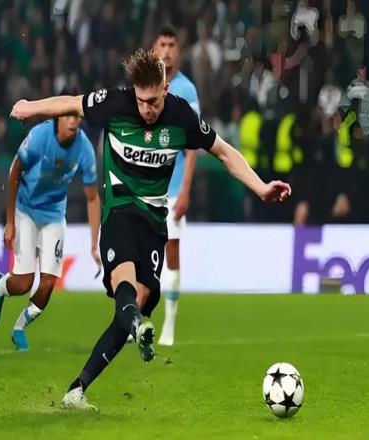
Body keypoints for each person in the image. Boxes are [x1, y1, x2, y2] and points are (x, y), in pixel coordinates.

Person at [10, 49, 291, 411]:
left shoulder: (181, 116)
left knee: (138, 302)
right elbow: (70, 103)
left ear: (165, 89)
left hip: (155, 220)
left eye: (154, 101)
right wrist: (30, 107)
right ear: (134, 92)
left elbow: (223, 152)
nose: (147, 109)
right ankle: (133, 328)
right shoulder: (115, 103)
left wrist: (261, 187)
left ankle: (77, 390)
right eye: (142, 101)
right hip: (119, 210)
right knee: (124, 284)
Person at [0, 112, 101, 352]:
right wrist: (10, 222)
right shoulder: (40, 136)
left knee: (48, 284)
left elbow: (92, 197)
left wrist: (94, 244)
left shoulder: (84, 148)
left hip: (54, 216)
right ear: (58, 118)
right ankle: (0, 287)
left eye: (77, 116)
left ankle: (19, 328)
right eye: (68, 116)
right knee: (23, 284)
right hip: (26, 210)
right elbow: (15, 170)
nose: (73, 121)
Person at [152, 25, 200, 346]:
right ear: (154, 49)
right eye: (163, 44)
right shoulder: (144, 84)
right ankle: (135, 320)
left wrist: (185, 190)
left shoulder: (187, 90)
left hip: (171, 188)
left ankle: (169, 324)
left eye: (172, 44)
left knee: (171, 249)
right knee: (138, 253)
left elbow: (193, 144)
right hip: (143, 185)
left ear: (178, 51)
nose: (167, 50)